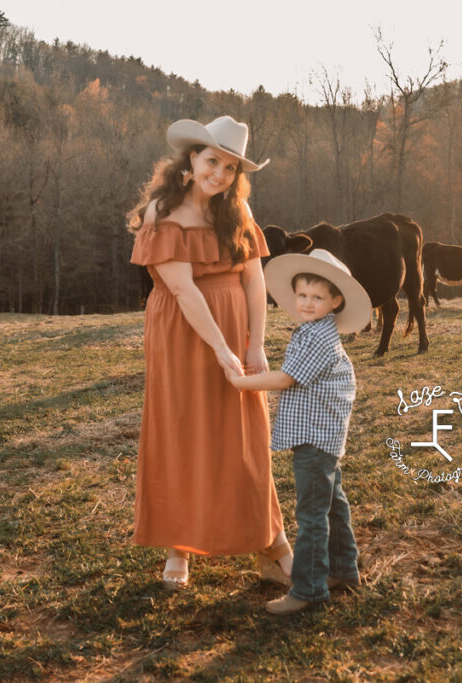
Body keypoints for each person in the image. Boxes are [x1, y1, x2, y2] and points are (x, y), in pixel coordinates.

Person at [127, 115, 293, 590]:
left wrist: (254, 343)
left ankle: (272, 544)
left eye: (229, 169)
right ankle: (179, 545)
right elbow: (183, 290)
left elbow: (253, 279)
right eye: (212, 161)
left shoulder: (236, 214)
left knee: (244, 435)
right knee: (185, 429)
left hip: (235, 324)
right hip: (183, 331)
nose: (218, 174)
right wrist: (222, 350)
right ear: (193, 157)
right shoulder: (163, 211)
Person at [225, 249, 372, 615]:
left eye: (317, 297)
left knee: (311, 514)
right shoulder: (314, 331)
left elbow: (285, 378)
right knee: (333, 504)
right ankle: (343, 569)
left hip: (314, 439)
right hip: (324, 436)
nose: (307, 303)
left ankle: (308, 589)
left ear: (335, 301)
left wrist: (240, 382)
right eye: (302, 295)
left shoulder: (319, 338)